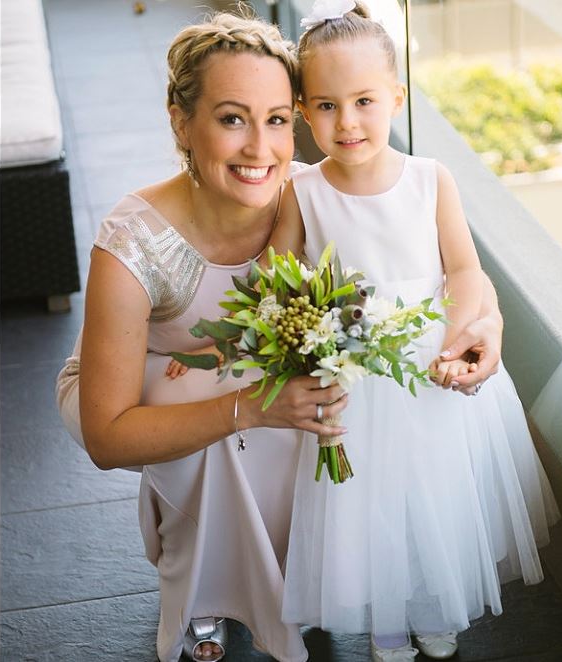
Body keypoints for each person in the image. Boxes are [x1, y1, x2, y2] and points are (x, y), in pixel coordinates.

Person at [54, 8, 506, 662]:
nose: (260, 150)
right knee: (225, 400)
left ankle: (287, 571)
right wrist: (249, 406)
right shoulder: (132, 242)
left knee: (307, 393)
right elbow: (106, 435)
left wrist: (483, 322)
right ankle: (204, 585)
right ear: (181, 121)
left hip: (239, 362)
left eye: (275, 120)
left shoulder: (315, 188)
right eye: (231, 118)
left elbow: (440, 266)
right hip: (139, 385)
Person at [263, 2, 560, 661]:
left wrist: (454, 346)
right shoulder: (302, 191)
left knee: (433, 493)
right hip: (353, 371)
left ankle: (432, 605)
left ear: (396, 97)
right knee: (368, 502)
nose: (347, 122)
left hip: (425, 362)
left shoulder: (429, 179)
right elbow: (280, 274)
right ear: (304, 112)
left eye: (364, 101)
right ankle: (385, 618)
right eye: (326, 106)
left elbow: (461, 269)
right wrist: (303, 333)